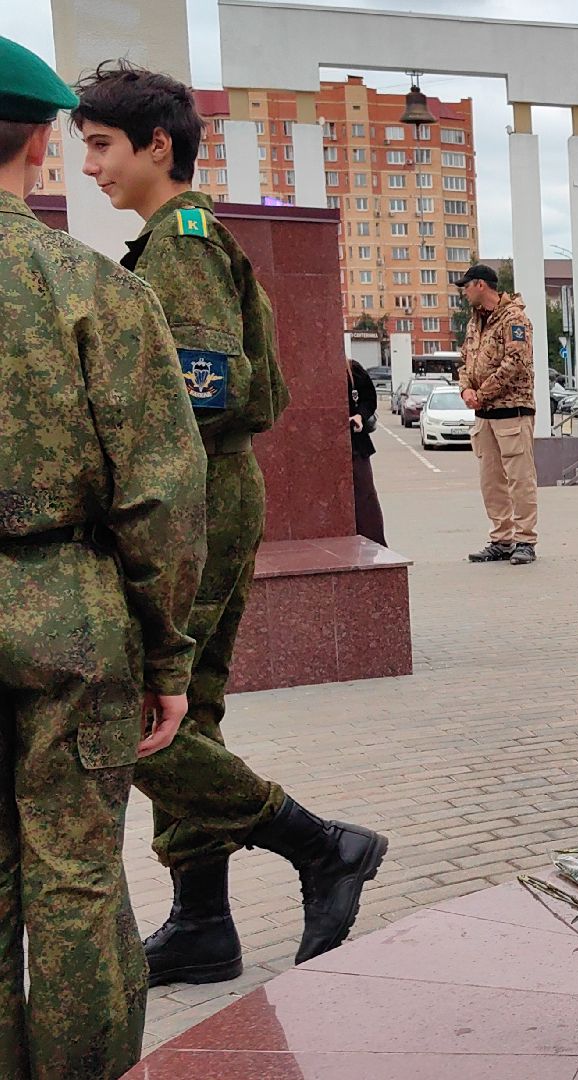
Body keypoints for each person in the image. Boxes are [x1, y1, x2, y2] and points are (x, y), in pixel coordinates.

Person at [74, 61, 389, 986]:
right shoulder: (174, 241)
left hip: (191, 500)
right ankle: (204, 923)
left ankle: (319, 845)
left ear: (155, 145)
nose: (89, 166)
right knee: (189, 711)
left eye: (100, 145)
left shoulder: (182, 246)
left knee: (139, 711)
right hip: (200, 493)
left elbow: (201, 392)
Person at [0, 37, 202, 1075]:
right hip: (66, 613)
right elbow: (161, 494)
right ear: (40, 142)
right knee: (75, 878)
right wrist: (168, 657)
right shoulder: (93, 290)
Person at [452, 263, 539, 565]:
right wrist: (466, 389)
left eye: (466, 286)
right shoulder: (474, 323)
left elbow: (515, 362)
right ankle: (501, 539)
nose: (464, 292)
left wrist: (483, 393)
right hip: (484, 416)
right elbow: (465, 360)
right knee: (491, 481)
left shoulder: (515, 318)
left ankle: (525, 540)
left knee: (520, 479)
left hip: (512, 411)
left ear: (481, 285)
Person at [348, 357, 387, 545]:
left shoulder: (351, 369)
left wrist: (359, 416)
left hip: (356, 444)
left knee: (365, 499)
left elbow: (369, 399)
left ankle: (374, 544)